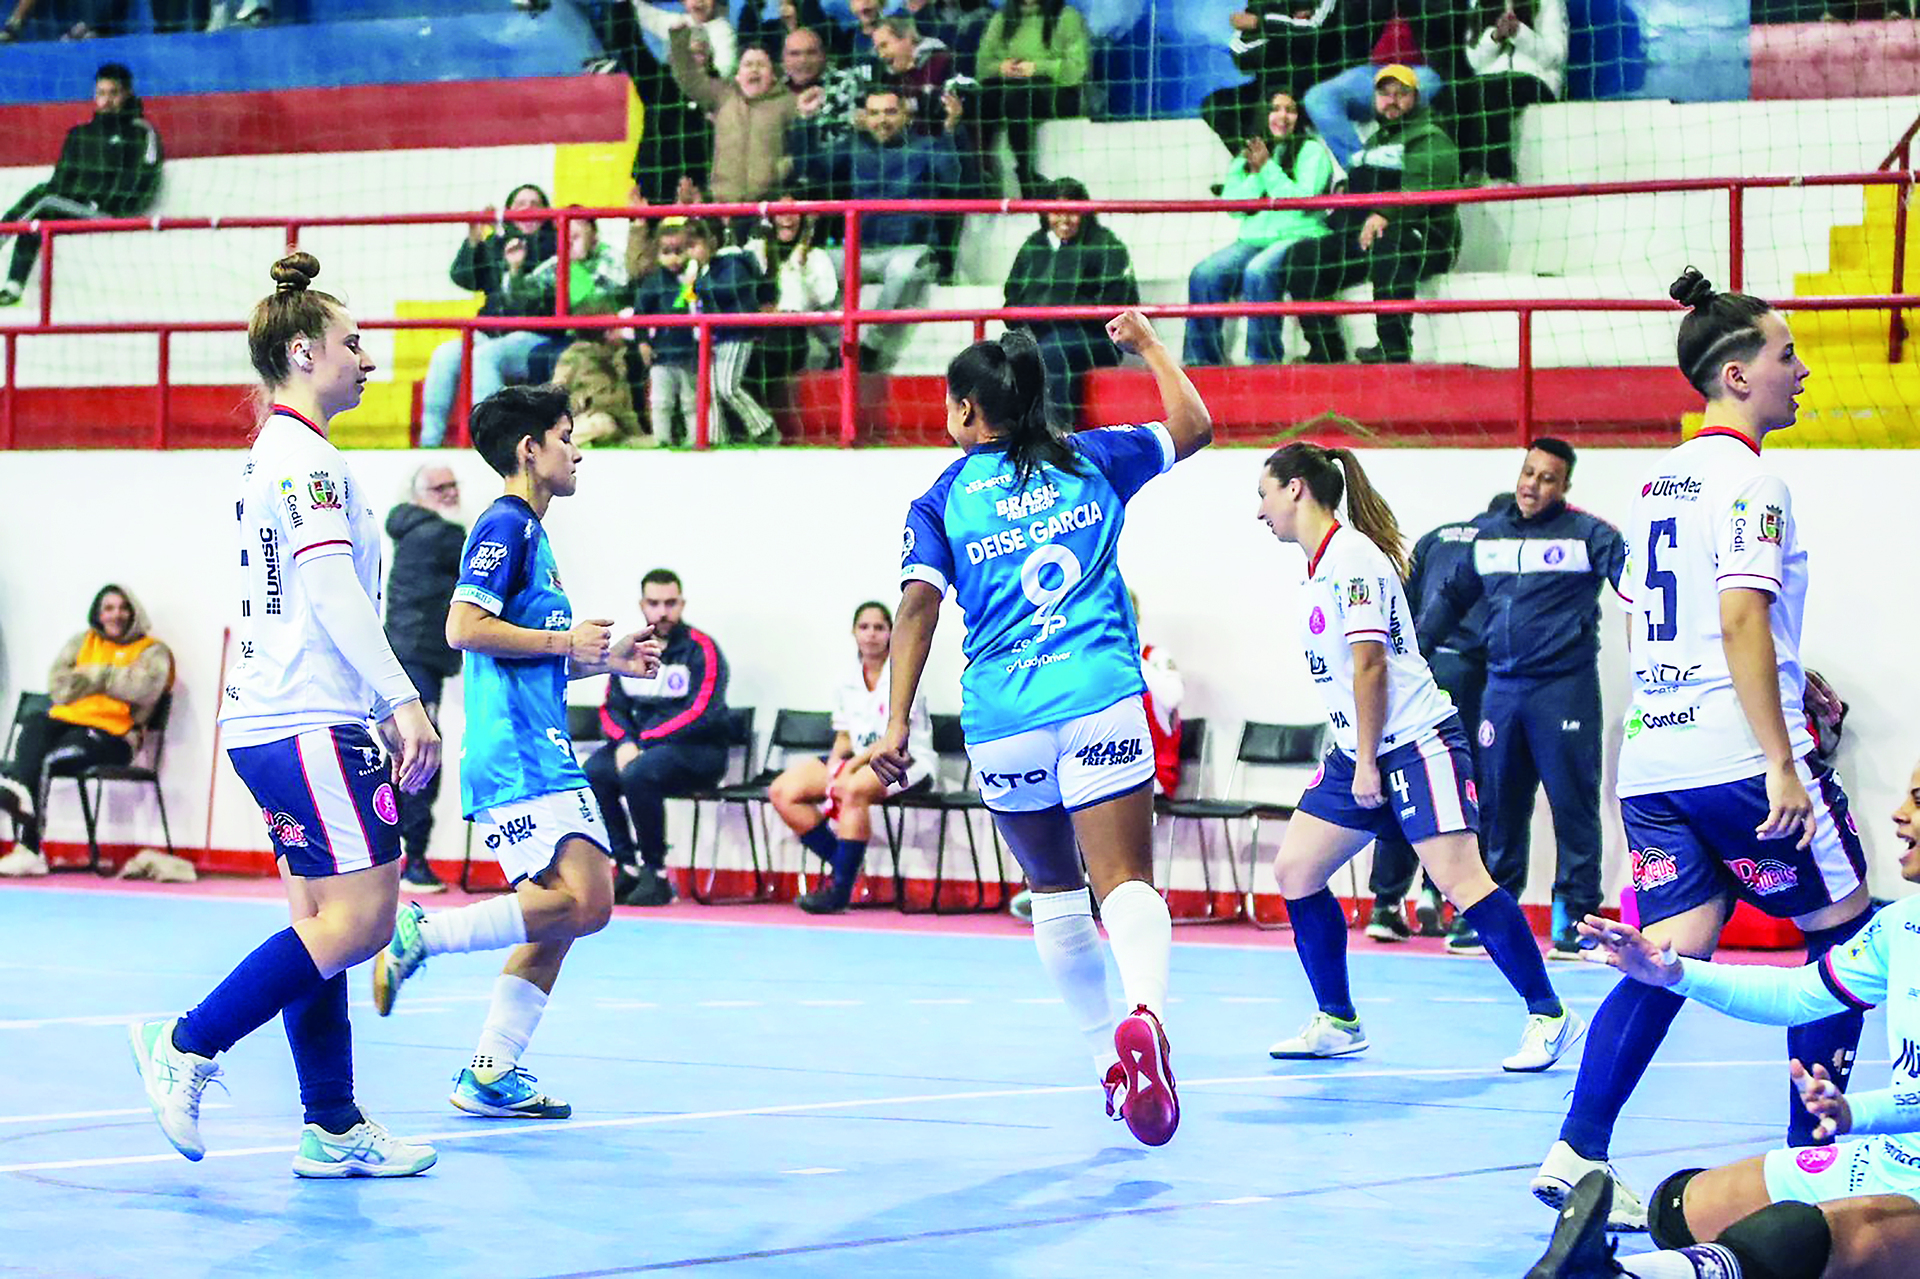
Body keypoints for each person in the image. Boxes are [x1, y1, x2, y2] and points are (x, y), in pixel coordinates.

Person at [1529, 268, 1875, 1232]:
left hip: (1655, 757)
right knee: (1844, 941)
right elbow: (1736, 615)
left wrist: (1778, 675)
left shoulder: (1654, 482)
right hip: (1737, 752)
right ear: (1735, 376)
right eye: (1785, 355)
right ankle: (1816, 1172)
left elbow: (1653, 616)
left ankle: (1576, 1148)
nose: (1801, 371)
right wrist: (1778, 750)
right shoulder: (1757, 480)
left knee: (1668, 953)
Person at [127, 252, 442, 1178]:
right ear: (305, 351)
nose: (368, 359)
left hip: (272, 720)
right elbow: (333, 591)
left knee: (318, 918)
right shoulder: (304, 458)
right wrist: (401, 696)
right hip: (306, 719)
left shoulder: (276, 451)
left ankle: (332, 1121)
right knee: (365, 920)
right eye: (354, 344)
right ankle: (185, 1042)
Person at [875, 309, 1213, 1148]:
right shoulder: (1091, 458)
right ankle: (1145, 1018)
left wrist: (896, 724)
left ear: (964, 412)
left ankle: (1108, 1058)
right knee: (1126, 877)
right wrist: (1147, 348)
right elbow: (1195, 426)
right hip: (1096, 694)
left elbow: (915, 608)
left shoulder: (942, 498)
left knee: (1055, 895)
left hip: (1005, 721)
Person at [370, 384, 661, 1120]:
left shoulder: (533, 533)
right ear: (529, 449)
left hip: (538, 745)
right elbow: (463, 626)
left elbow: (523, 655)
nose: (578, 449)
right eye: (566, 435)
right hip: (520, 754)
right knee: (586, 903)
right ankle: (422, 931)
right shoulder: (506, 524)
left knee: (564, 915)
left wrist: (606, 661)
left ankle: (492, 1071)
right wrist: (566, 639)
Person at [1254, 443, 1580, 1074]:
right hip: (1360, 749)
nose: (1258, 512)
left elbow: (1372, 665)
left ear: (1296, 489)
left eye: (1263, 494)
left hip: (1411, 743)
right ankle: (1338, 1020)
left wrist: (1372, 762)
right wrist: (1360, 755)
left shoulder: (1352, 560)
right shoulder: (1322, 566)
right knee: (1296, 872)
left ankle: (1549, 1015)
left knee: (1463, 882)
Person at [1528, 759, 1920, 1279]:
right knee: (1677, 1207)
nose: (1898, 814)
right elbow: (1798, 993)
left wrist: (1856, 1112)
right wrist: (1672, 972)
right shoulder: (1903, 925)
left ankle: (1618, 1276)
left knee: (1797, 1237)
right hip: (1897, 1154)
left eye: (1919, 801)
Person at [1415, 441, 1627, 958]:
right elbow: (1451, 599)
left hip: (1564, 691)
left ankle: (1575, 918)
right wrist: (1412, 652)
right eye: (1528, 473)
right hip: (1502, 692)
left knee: (1573, 807)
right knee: (1498, 806)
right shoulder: (1488, 536)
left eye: (1548, 478)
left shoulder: (1592, 536)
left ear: (1565, 488)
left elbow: (1640, 588)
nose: (1533, 484)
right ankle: (1495, 914)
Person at [1364, 491, 1511, 951]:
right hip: (1472, 673)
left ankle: (1386, 905)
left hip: (1420, 672)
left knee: (1406, 783)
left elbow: (1401, 608)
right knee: (1460, 786)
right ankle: (1437, 890)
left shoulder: (1434, 538)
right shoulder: (1499, 544)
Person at [1282, 64, 1461, 365]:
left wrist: (1384, 214)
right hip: (1377, 235)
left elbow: (1423, 190)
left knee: (1389, 242)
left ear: (1415, 98)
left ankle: (1394, 348)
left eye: (1401, 94)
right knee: (1302, 257)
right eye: (1385, 94)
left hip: (1431, 238)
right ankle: (1325, 348)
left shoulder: (1431, 137)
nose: (1392, 100)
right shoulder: (1376, 142)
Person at [767, 600, 934, 914]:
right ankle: (845, 864)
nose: (871, 635)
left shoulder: (905, 673)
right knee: (782, 791)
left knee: (853, 788)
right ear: (854, 633)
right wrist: (835, 762)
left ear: (891, 633)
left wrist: (849, 769)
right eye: (864, 627)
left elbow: (894, 736)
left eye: (879, 628)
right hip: (858, 759)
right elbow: (844, 734)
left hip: (906, 760)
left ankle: (838, 892)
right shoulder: (846, 680)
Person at [0, 585, 174, 878]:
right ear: (98, 614)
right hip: (67, 719)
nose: (115, 614)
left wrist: (92, 675)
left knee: (51, 758)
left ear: (133, 612)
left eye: (122, 608)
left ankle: (28, 845)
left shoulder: (152, 651)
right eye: (108, 608)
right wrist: (114, 678)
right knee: (32, 728)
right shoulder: (81, 643)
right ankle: (23, 811)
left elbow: (143, 689)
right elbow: (59, 687)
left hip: (115, 736)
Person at [785, 87, 963, 371]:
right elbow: (812, 169)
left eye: (891, 112)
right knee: (799, 267)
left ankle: (871, 348)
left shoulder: (926, 146)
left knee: (905, 270)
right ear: (863, 118)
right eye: (875, 113)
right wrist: (805, 121)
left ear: (906, 115)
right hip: (858, 251)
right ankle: (839, 345)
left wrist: (951, 130)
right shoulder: (853, 146)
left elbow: (954, 179)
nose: (882, 120)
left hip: (908, 250)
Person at [585, 567, 732, 907]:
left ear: (682, 603)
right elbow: (611, 708)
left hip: (698, 751)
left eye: (670, 603)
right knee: (593, 772)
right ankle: (626, 867)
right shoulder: (629, 649)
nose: (663, 611)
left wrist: (642, 743)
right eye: (654, 603)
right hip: (641, 748)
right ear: (642, 605)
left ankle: (657, 873)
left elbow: (702, 711)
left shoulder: (702, 650)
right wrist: (624, 741)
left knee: (639, 772)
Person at [1183, 90, 1335, 368]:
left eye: (1290, 110)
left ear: (1299, 116)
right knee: (1203, 275)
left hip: (1299, 236)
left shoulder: (1312, 151)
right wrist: (1255, 174)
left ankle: (1264, 361)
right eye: (1276, 109)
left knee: (1258, 271)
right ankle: (1200, 362)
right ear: (1265, 114)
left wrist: (1267, 168)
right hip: (1253, 239)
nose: (1283, 116)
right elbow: (1233, 206)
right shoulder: (1247, 157)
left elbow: (1301, 202)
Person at [0, 63, 162, 308]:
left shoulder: (140, 132)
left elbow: (144, 177)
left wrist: (113, 205)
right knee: (39, 214)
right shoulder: (79, 134)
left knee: (43, 199)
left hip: (111, 213)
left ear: (127, 94)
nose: (106, 101)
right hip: (75, 209)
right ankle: (13, 287)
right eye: (101, 93)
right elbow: (60, 181)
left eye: (113, 93)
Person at [419, 184, 558, 448]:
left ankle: (491, 443)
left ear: (546, 212)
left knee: (484, 357)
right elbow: (464, 277)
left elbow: (541, 299)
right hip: (490, 333)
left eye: (534, 203)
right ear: (509, 212)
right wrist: (474, 240)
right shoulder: (496, 243)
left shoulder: (555, 245)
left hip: (534, 335)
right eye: (519, 204)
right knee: (445, 355)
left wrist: (518, 267)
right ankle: (429, 443)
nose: (527, 209)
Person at [382, 465, 467, 893]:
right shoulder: (439, 537)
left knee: (401, 757)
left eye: (453, 485)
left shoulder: (410, 531)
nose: (450, 492)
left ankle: (391, 854)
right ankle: (413, 860)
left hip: (406, 658)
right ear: (417, 495)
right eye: (440, 487)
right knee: (422, 757)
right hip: (417, 662)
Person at [1002, 177, 1140, 431]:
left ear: (1084, 212)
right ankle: (1005, 434)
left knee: (1053, 350)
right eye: (1056, 211)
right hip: (1036, 333)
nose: (1063, 220)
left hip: (1096, 339)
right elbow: (1011, 299)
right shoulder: (1034, 245)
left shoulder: (1107, 245)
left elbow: (1115, 308)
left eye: (1072, 211)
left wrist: (1056, 312)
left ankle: (1058, 435)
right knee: (1000, 355)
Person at [1442, 0, 1566, 183]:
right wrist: (1494, 37)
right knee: (1450, 94)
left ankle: (1498, 175)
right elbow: (1474, 60)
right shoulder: (1479, 3)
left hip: (1536, 80)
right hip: (1489, 80)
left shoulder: (1549, 2)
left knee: (1493, 90)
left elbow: (1556, 55)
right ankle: (1458, 173)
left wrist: (1520, 33)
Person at [973, 0, 1089, 196]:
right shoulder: (1002, 18)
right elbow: (981, 67)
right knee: (981, 97)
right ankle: (979, 173)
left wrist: (1036, 67)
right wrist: (1001, 68)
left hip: (1052, 91)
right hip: (1008, 86)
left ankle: (1026, 175)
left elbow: (1076, 69)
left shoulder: (1067, 17)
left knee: (1016, 97)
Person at [669, 33, 797, 204]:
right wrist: (678, 37)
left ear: (773, 75)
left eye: (761, 65)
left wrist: (778, 171)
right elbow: (689, 79)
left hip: (769, 204)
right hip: (724, 204)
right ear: (737, 74)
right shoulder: (723, 95)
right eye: (748, 64)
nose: (754, 69)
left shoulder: (788, 103)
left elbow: (800, 150)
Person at [697, 222, 780, 445]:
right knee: (709, 390)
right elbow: (686, 301)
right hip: (715, 336)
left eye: (695, 245)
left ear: (712, 242)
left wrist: (698, 286)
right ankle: (714, 438)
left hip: (737, 334)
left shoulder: (734, 261)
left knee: (727, 387)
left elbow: (729, 289)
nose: (691, 252)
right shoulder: (703, 269)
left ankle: (763, 427)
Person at [634, 218, 702, 447]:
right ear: (657, 254)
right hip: (662, 353)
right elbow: (639, 314)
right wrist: (643, 342)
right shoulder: (653, 283)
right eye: (666, 252)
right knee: (660, 401)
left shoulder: (698, 279)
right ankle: (661, 439)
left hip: (690, 353)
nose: (673, 257)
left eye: (679, 251)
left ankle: (695, 439)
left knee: (691, 401)